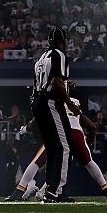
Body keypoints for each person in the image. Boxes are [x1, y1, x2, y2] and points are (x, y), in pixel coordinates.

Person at [30, 27, 81, 203]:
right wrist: (70, 104)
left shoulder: (42, 58)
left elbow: (40, 84)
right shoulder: (59, 55)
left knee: (53, 147)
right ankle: (55, 191)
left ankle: (52, 189)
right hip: (50, 102)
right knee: (64, 146)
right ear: (63, 41)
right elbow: (57, 83)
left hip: (38, 102)